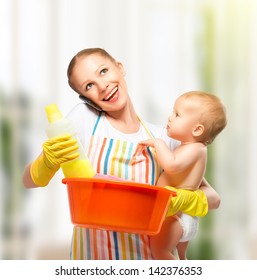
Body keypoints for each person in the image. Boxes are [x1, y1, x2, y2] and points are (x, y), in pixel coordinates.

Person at [22, 48, 221, 260]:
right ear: (85, 96)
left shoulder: (163, 137)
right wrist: (47, 162)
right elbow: (28, 181)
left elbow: (214, 198)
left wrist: (182, 200)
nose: (102, 86)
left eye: (103, 71)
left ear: (120, 67)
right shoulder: (84, 119)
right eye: (89, 86)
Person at [133, 91, 227, 260]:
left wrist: (158, 144)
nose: (170, 118)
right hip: (183, 215)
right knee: (180, 256)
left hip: (176, 216)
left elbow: (171, 165)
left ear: (197, 129)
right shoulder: (191, 148)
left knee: (160, 252)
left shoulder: (194, 149)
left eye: (177, 115)